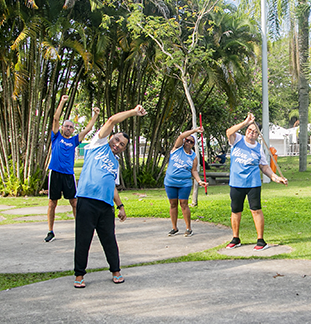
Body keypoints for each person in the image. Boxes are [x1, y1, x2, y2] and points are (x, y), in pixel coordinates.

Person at [73, 105, 147, 288]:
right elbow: (112, 121)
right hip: (87, 200)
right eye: (116, 140)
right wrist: (133, 112)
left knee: (109, 240)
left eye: (122, 145)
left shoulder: (116, 162)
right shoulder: (96, 145)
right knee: (83, 239)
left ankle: (116, 271)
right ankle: (79, 275)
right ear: (111, 138)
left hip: (105, 206)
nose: (117, 145)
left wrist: (120, 206)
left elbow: (112, 186)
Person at [225, 113, 288, 251]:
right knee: (236, 210)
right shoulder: (237, 139)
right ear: (246, 130)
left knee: (256, 210)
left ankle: (261, 240)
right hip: (236, 183)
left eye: (255, 132)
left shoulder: (259, 147)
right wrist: (245, 122)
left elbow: (264, 167)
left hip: (253, 184)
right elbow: (229, 131)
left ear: (258, 135)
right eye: (249, 130)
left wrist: (276, 178)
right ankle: (235, 238)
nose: (252, 133)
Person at [44, 96, 100, 242]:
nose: (68, 128)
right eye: (66, 126)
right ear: (62, 128)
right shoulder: (56, 137)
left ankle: (80, 229)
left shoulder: (74, 140)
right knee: (52, 203)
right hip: (55, 173)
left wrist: (95, 115)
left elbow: (87, 129)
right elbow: (56, 118)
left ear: (73, 129)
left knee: (74, 202)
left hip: (68, 175)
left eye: (71, 127)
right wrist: (62, 101)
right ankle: (50, 231)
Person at [164, 127, 208, 237]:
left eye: (191, 142)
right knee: (173, 204)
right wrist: (195, 130)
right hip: (170, 182)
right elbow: (181, 136)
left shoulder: (193, 156)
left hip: (184, 183)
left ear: (193, 144)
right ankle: (174, 228)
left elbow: (194, 171)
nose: (188, 142)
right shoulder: (177, 148)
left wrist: (199, 181)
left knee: (184, 204)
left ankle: (188, 228)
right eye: (187, 140)